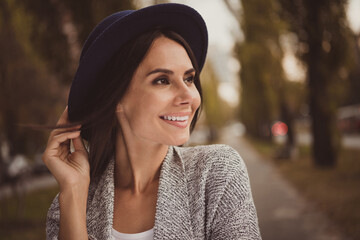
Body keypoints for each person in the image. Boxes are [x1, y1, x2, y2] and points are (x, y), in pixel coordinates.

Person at [44, 3, 261, 240]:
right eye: (162, 80)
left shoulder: (216, 173)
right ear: (114, 97)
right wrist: (74, 192)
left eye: (189, 78)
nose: (190, 96)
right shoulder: (67, 206)